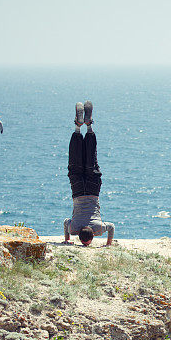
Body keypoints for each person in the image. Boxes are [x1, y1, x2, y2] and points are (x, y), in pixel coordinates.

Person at [63, 100, 115, 247]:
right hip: (78, 191)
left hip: (93, 190)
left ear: (91, 236)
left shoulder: (98, 229)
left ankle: (89, 125)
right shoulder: (73, 229)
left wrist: (108, 243)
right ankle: (78, 127)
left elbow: (111, 227)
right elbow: (66, 222)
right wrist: (67, 238)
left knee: (91, 158)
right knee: (75, 162)